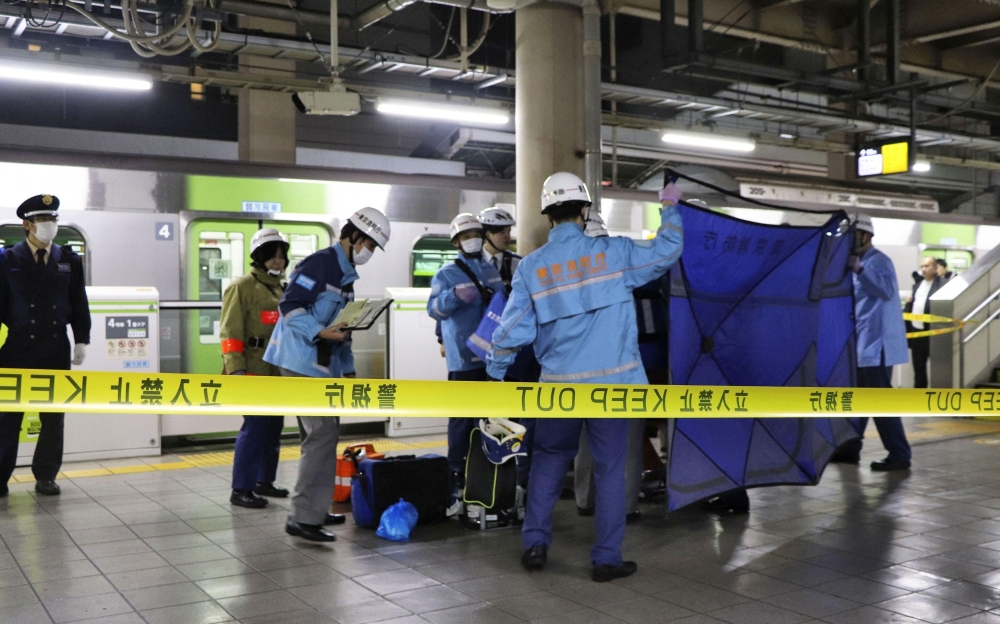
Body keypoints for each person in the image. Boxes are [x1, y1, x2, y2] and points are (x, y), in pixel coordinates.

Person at [487, 172, 683, 582]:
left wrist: (497, 374)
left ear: (547, 215)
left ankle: (536, 543)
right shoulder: (614, 254)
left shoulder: (532, 268)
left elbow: (512, 331)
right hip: (615, 388)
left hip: (558, 388)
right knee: (610, 469)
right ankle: (606, 558)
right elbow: (668, 250)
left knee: (549, 460)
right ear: (585, 210)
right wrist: (669, 208)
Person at [264, 207, 391, 541]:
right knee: (322, 434)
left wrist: (348, 372)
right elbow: (290, 306)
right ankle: (303, 518)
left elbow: (341, 330)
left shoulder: (346, 278)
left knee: (320, 435)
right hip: (298, 360)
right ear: (354, 238)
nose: (370, 253)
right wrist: (320, 332)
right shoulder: (320, 263)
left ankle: (314, 509)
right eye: (370, 245)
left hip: (321, 366)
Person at [0, 195, 90, 497]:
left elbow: (79, 302)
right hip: (17, 348)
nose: (50, 225)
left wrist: (81, 339)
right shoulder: (7, 259)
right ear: (27, 224)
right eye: (43, 220)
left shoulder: (68, 259)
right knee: (9, 416)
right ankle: (0, 476)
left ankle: (46, 475)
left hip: (55, 347)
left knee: (53, 416)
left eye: (53, 219)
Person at [574, 207, 645, 523]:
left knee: (586, 440)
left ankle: (584, 500)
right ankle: (626, 506)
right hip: (622, 372)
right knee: (627, 442)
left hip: (580, 374)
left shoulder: (569, 275)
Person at [427, 214, 504, 482]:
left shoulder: (491, 271)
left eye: (475, 235)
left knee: (488, 417)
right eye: (465, 236)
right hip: (463, 359)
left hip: (491, 358)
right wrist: (453, 296)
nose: (472, 240)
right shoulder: (446, 274)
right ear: (456, 242)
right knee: (462, 419)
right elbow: (433, 310)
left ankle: (487, 469)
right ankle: (456, 471)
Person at [833, 213, 911, 471]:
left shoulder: (878, 261)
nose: (849, 241)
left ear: (866, 236)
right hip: (863, 344)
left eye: (853, 236)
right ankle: (850, 448)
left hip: (878, 346)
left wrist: (861, 270)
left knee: (879, 400)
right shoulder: (855, 264)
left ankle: (899, 453)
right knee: (859, 398)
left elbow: (886, 291)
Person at [222, 228, 292, 509]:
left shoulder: (283, 288)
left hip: (277, 367)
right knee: (254, 427)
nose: (278, 262)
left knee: (274, 426)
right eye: (272, 257)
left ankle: (265, 481)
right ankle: (241, 488)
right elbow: (229, 332)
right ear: (259, 257)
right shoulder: (241, 287)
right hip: (252, 367)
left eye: (281, 257)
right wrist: (236, 369)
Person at [905, 256, 944, 389]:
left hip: (934, 332)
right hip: (917, 333)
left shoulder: (943, 285)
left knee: (939, 368)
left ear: (935, 267)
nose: (924, 269)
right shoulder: (917, 286)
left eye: (927, 266)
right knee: (918, 369)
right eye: (922, 266)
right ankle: (919, 398)